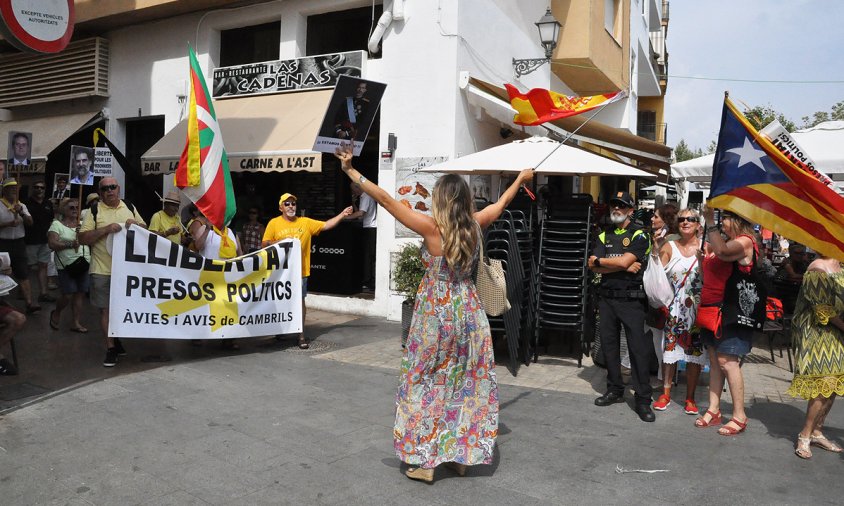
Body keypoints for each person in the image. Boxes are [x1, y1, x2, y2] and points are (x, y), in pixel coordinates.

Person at [335, 143, 534, 483]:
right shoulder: (475, 224)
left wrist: (352, 171)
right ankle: (460, 456)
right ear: (466, 201)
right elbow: (500, 205)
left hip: (435, 316)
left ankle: (427, 462)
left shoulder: (430, 229)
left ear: (440, 199)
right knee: (465, 383)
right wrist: (520, 178)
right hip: (469, 315)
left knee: (425, 383)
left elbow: (384, 199)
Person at [589, 191, 654, 422]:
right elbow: (592, 265)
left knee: (637, 350)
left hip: (631, 301)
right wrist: (621, 266)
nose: (616, 209)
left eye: (621, 206)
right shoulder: (604, 235)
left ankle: (643, 399)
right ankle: (615, 390)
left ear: (630, 210)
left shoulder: (640, 234)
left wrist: (604, 262)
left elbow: (621, 261)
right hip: (607, 299)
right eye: (613, 205)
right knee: (609, 348)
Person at [695, 208, 758, 435]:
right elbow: (706, 278)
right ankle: (714, 409)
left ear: (739, 220)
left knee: (727, 361)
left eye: (726, 219)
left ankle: (740, 415)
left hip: (730, 311)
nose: (722, 223)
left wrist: (709, 221)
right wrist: (702, 262)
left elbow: (721, 250)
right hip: (711, 309)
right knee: (714, 359)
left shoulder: (745, 241)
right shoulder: (725, 242)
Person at [262, 193, 353, 349]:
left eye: (293, 204)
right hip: (281, 273)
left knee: (300, 302)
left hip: (300, 271)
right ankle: (280, 330)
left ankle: (301, 335)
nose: (291, 206)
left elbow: (326, 225)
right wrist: (281, 241)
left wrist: (342, 215)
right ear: (281, 207)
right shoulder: (274, 223)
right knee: (280, 301)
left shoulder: (305, 222)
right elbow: (265, 244)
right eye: (287, 204)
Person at [78, 177, 146, 367]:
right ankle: (110, 348)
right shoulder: (94, 210)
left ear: (118, 188)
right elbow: (82, 238)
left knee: (122, 309)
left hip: (127, 270)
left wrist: (137, 226)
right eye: (105, 188)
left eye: (113, 187)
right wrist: (105, 229)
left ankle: (116, 340)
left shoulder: (129, 206)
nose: (109, 190)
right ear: (100, 192)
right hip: (102, 269)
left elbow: (145, 230)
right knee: (106, 310)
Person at [787, 254, 844, 459]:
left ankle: (817, 432)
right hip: (816, 332)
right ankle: (805, 435)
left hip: (835, 332)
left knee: (834, 383)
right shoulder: (817, 267)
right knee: (823, 384)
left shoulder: (840, 265)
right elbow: (823, 308)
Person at [652, 208, 706, 414]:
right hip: (673, 309)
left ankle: (690, 397)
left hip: (697, 312)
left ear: (698, 225)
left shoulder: (705, 247)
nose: (685, 222)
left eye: (690, 219)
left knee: (694, 354)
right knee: (670, 352)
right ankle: (665, 393)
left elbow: (711, 281)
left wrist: (702, 262)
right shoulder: (669, 246)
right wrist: (655, 250)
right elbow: (655, 275)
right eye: (681, 219)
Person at [189, 210, 243, 349]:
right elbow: (198, 246)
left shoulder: (231, 233)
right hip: (208, 276)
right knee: (204, 307)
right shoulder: (207, 229)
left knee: (228, 307)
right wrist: (207, 228)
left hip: (227, 277)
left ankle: (228, 338)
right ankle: (198, 335)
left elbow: (240, 254)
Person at [47, 198, 90, 333]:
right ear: (64, 210)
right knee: (68, 294)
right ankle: (57, 311)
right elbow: (52, 244)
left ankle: (75, 322)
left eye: (77, 208)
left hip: (84, 263)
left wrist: (82, 233)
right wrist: (70, 244)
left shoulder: (83, 224)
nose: (75, 210)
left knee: (80, 293)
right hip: (67, 265)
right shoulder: (56, 225)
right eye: (71, 208)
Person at [0, 179, 39, 313]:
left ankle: (29, 303)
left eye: (15, 188)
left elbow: (30, 222)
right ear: (3, 190)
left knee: (23, 272)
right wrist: (7, 224)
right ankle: (5, 304)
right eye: (10, 188)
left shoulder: (21, 205)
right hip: (2, 243)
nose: (13, 190)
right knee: (3, 273)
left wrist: (21, 212)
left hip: (18, 243)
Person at [23, 180, 56, 303]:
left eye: (42, 188)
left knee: (44, 265)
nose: (39, 189)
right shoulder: (26, 204)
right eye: (36, 187)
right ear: (33, 188)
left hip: (44, 240)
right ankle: (25, 292)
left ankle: (43, 293)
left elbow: (52, 220)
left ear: (45, 189)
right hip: (30, 240)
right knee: (28, 267)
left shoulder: (48, 203)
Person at [344, 181, 377, 288]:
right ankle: (368, 280)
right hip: (368, 227)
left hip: (371, 228)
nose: (352, 192)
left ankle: (369, 281)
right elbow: (360, 216)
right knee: (368, 255)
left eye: (353, 190)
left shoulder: (366, 196)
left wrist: (344, 217)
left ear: (358, 188)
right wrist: (354, 203)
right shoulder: (363, 197)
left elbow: (361, 213)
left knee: (369, 256)